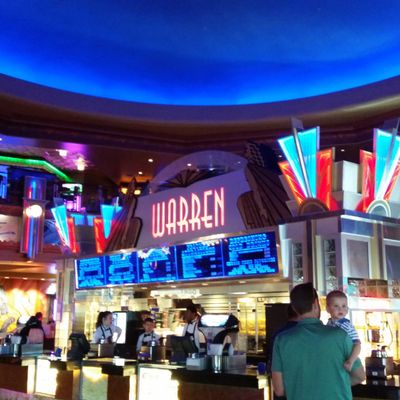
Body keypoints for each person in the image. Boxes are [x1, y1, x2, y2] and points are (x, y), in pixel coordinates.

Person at [272, 283, 365, 400]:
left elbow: (279, 390)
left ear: (294, 309)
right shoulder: (341, 335)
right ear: (316, 303)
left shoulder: (281, 340)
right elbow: (360, 376)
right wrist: (333, 384)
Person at [326, 290, 361, 372]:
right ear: (328, 309)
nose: (340, 309)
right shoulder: (329, 323)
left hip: (346, 361)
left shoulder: (347, 326)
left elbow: (357, 344)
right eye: (336, 306)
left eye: (344, 306)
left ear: (347, 309)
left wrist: (350, 361)